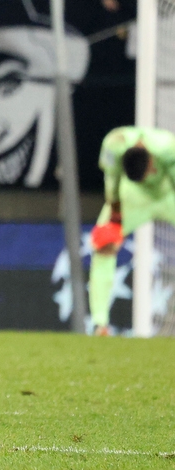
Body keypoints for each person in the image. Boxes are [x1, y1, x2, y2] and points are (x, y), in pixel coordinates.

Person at [89, 126, 175, 336]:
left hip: (167, 194)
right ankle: (99, 323)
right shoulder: (113, 143)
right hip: (132, 198)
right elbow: (111, 178)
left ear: (152, 163)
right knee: (104, 244)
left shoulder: (168, 148)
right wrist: (115, 209)